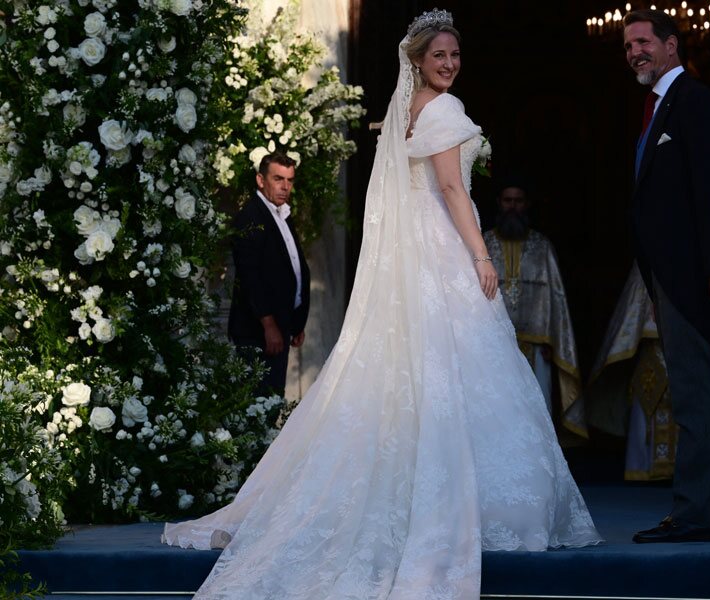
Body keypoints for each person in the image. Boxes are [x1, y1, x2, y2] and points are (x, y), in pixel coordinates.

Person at [162, 9, 601, 599]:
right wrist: (481, 255)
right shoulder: (442, 110)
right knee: (459, 363)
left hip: (417, 251)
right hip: (444, 248)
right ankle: (473, 503)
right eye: (439, 55)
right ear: (418, 60)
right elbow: (450, 189)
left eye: (455, 55)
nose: (449, 64)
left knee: (427, 369)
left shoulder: (407, 110)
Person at [623, 9, 710, 543]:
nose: (634, 51)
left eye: (643, 42)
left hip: (693, 276)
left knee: (694, 394)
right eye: (628, 45)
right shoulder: (655, 106)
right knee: (704, 395)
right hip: (670, 278)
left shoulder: (694, 100)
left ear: (671, 46)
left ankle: (694, 514)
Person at [482, 178, 585, 438]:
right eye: (508, 201)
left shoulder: (542, 246)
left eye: (518, 201)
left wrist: (553, 340)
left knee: (537, 408)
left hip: (537, 345)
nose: (513, 206)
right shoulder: (483, 246)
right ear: (499, 203)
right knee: (496, 406)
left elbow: (556, 297)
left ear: (527, 204)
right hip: (494, 343)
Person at [583, 259, 676, 481]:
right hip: (650, 350)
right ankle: (642, 468)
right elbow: (632, 313)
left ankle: (678, 471)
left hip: (680, 348)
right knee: (646, 400)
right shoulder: (645, 262)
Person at [227, 153, 310, 397]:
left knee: (272, 399)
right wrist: (269, 325)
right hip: (258, 331)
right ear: (261, 180)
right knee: (257, 403)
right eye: (278, 179)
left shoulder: (282, 214)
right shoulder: (251, 217)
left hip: (281, 326)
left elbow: (292, 266)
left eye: (290, 180)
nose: (285, 186)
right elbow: (250, 277)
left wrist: (297, 321)